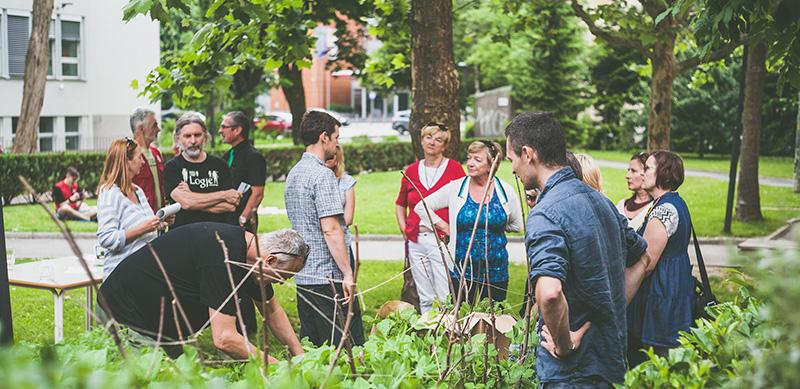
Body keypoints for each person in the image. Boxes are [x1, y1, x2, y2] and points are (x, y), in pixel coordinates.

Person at [504, 112, 651, 387]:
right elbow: (642, 257)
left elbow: (549, 294)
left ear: (528, 153)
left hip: (571, 373)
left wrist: (563, 345)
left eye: (511, 159)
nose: (512, 169)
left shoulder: (545, 214)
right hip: (611, 362)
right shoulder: (602, 202)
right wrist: (614, 306)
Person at [100, 224, 308, 361]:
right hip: (124, 312)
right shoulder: (222, 256)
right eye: (285, 276)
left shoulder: (250, 258)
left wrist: (300, 358)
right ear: (270, 260)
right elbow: (224, 338)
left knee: (185, 377)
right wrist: (276, 366)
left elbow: (271, 310)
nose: (282, 283)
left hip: (161, 325)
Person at [284, 110, 365, 347]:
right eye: (336, 137)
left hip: (304, 276)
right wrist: (347, 274)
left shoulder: (294, 173)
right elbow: (331, 229)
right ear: (324, 137)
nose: (337, 143)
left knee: (313, 350)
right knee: (343, 349)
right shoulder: (322, 175)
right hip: (327, 278)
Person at [415, 140, 522, 304]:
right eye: (469, 158)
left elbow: (517, 225)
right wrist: (444, 226)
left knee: (494, 321)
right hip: (462, 270)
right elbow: (421, 206)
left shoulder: (505, 190)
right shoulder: (457, 187)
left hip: (496, 270)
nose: (470, 163)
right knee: (461, 318)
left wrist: (493, 224)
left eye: (477, 160)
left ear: (492, 164)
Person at [627, 151, 694, 367]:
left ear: (663, 173)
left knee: (656, 362)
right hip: (670, 292)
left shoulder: (664, 210)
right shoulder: (672, 203)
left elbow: (647, 263)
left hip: (661, 298)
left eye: (647, 168)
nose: (643, 173)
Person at [395, 123, 465, 313]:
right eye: (428, 137)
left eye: (438, 139)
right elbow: (400, 203)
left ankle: (446, 335)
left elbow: (463, 203)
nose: (432, 142)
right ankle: (429, 337)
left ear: (445, 145)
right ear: (421, 140)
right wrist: (404, 229)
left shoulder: (455, 169)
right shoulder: (411, 171)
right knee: (424, 296)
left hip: (441, 239)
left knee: (444, 294)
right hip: (416, 240)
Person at [96, 138, 169, 278]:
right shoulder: (110, 193)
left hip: (145, 272)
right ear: (127, 162)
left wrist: (160, 223)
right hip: (121, 276)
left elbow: (145, 229)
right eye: (139, 157)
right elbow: (106, 238)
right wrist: (143, 228)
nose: (143, 162)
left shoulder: (137, 191)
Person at [163, 113, 241, 228]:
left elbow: (230, 206)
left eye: (197, 135)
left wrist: (193, 197)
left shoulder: (220, 165)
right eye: (187, 136)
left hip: (218, 234)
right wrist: (224, 195)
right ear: (178, 138)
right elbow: (187, 203)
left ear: (205, 136)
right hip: (184, 236)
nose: (193, 141)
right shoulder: (172, 167)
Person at [220, 111, 266, 233]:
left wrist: (243, 219)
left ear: (237, 130)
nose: (220, 131)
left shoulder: (254, 157)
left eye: (224, 127)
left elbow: (257, 194)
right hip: (225, 220)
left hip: (242, 224)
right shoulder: (228, 155)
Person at [325, 145, 358, 267]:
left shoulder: (346, 182)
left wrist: (329, 225)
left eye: (331, 156)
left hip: (341, 240)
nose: (327, 159)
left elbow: (348, 218)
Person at [129, 107, 166, 213]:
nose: (158, 129)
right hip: (141, 219)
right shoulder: (128, 154)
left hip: (159, 220)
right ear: (141, 128)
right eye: (154, 125)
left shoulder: (156, 153)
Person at [616, 152, 654, 232]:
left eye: (633, 171)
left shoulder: (653, 209)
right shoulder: (621, 205)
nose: (627, 176)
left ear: (646, 173)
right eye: (628, 170)